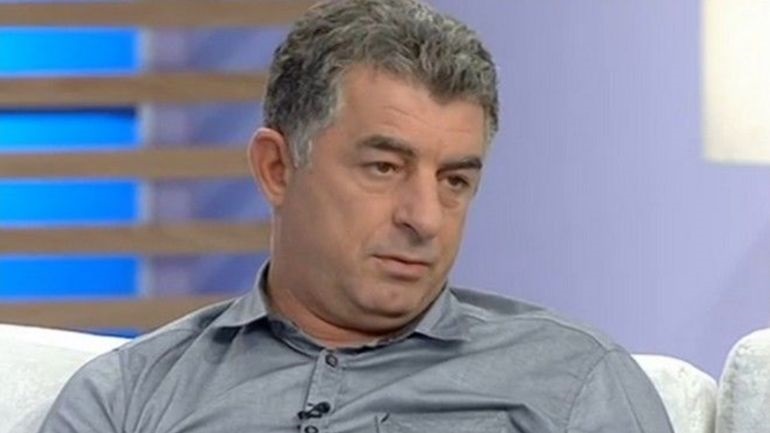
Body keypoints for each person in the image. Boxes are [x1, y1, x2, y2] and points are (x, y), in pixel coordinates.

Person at [37, 1, 674, 432]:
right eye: (385, 168)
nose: (425, 218)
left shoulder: (573, 382)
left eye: (454, 180)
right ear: (277, 168)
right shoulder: (130, 397)